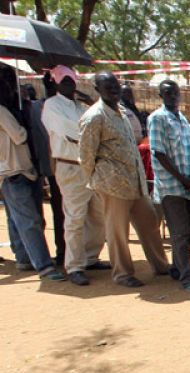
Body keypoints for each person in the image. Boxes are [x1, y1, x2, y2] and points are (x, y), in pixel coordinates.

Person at [79, 72, 170, 288]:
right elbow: (85, 155)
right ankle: (122, 274)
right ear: (97, 89)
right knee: (118, 231)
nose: (114, 89)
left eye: (115, 85)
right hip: (112, 185)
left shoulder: (121, 112)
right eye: (108, 86)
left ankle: (161, 265)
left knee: (149, 223)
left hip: (135, 182)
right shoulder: (94, 117)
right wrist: (98, 180)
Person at [42, 65, 109, 286]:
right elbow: (71, 131)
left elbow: (101, 126)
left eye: (72, 80)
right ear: (56, 83)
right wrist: (91, 133)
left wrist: (91, 102)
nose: (70, 85)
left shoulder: (82, 107)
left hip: (90, 167)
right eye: (65, 81)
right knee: (75, 218)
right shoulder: (51, 106)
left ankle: (90, 257)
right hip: (70, 167)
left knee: (98, 216)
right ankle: (74, 266)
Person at [0, 73, 64, 281]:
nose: (13, 90)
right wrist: (22, 122)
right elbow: (20, 136)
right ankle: (44, 265)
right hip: (14, 170)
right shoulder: (2, 111)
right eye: (8, 86)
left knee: (16, 218)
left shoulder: (15, 109)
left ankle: (24, 258)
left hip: (24, 168)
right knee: (29, 220)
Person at [148, 80, 190, 294]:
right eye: (168, 93)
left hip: (188, 185)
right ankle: (187, 276)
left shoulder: (181, 119)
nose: (172, 96)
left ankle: (177, 267)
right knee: (180, 232)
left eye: (175, 93)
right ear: (161, 95)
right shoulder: (157, 119)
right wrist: (181, 178)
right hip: (172, 186)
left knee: (189, 231)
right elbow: (159, 154)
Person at [28, 72, 68, 268]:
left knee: (70, 213)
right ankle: (61, 252)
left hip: (68, 165)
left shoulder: (68, 107)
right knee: (58, 212)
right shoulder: (35, 109)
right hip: (50, 167)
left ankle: (69, 251)